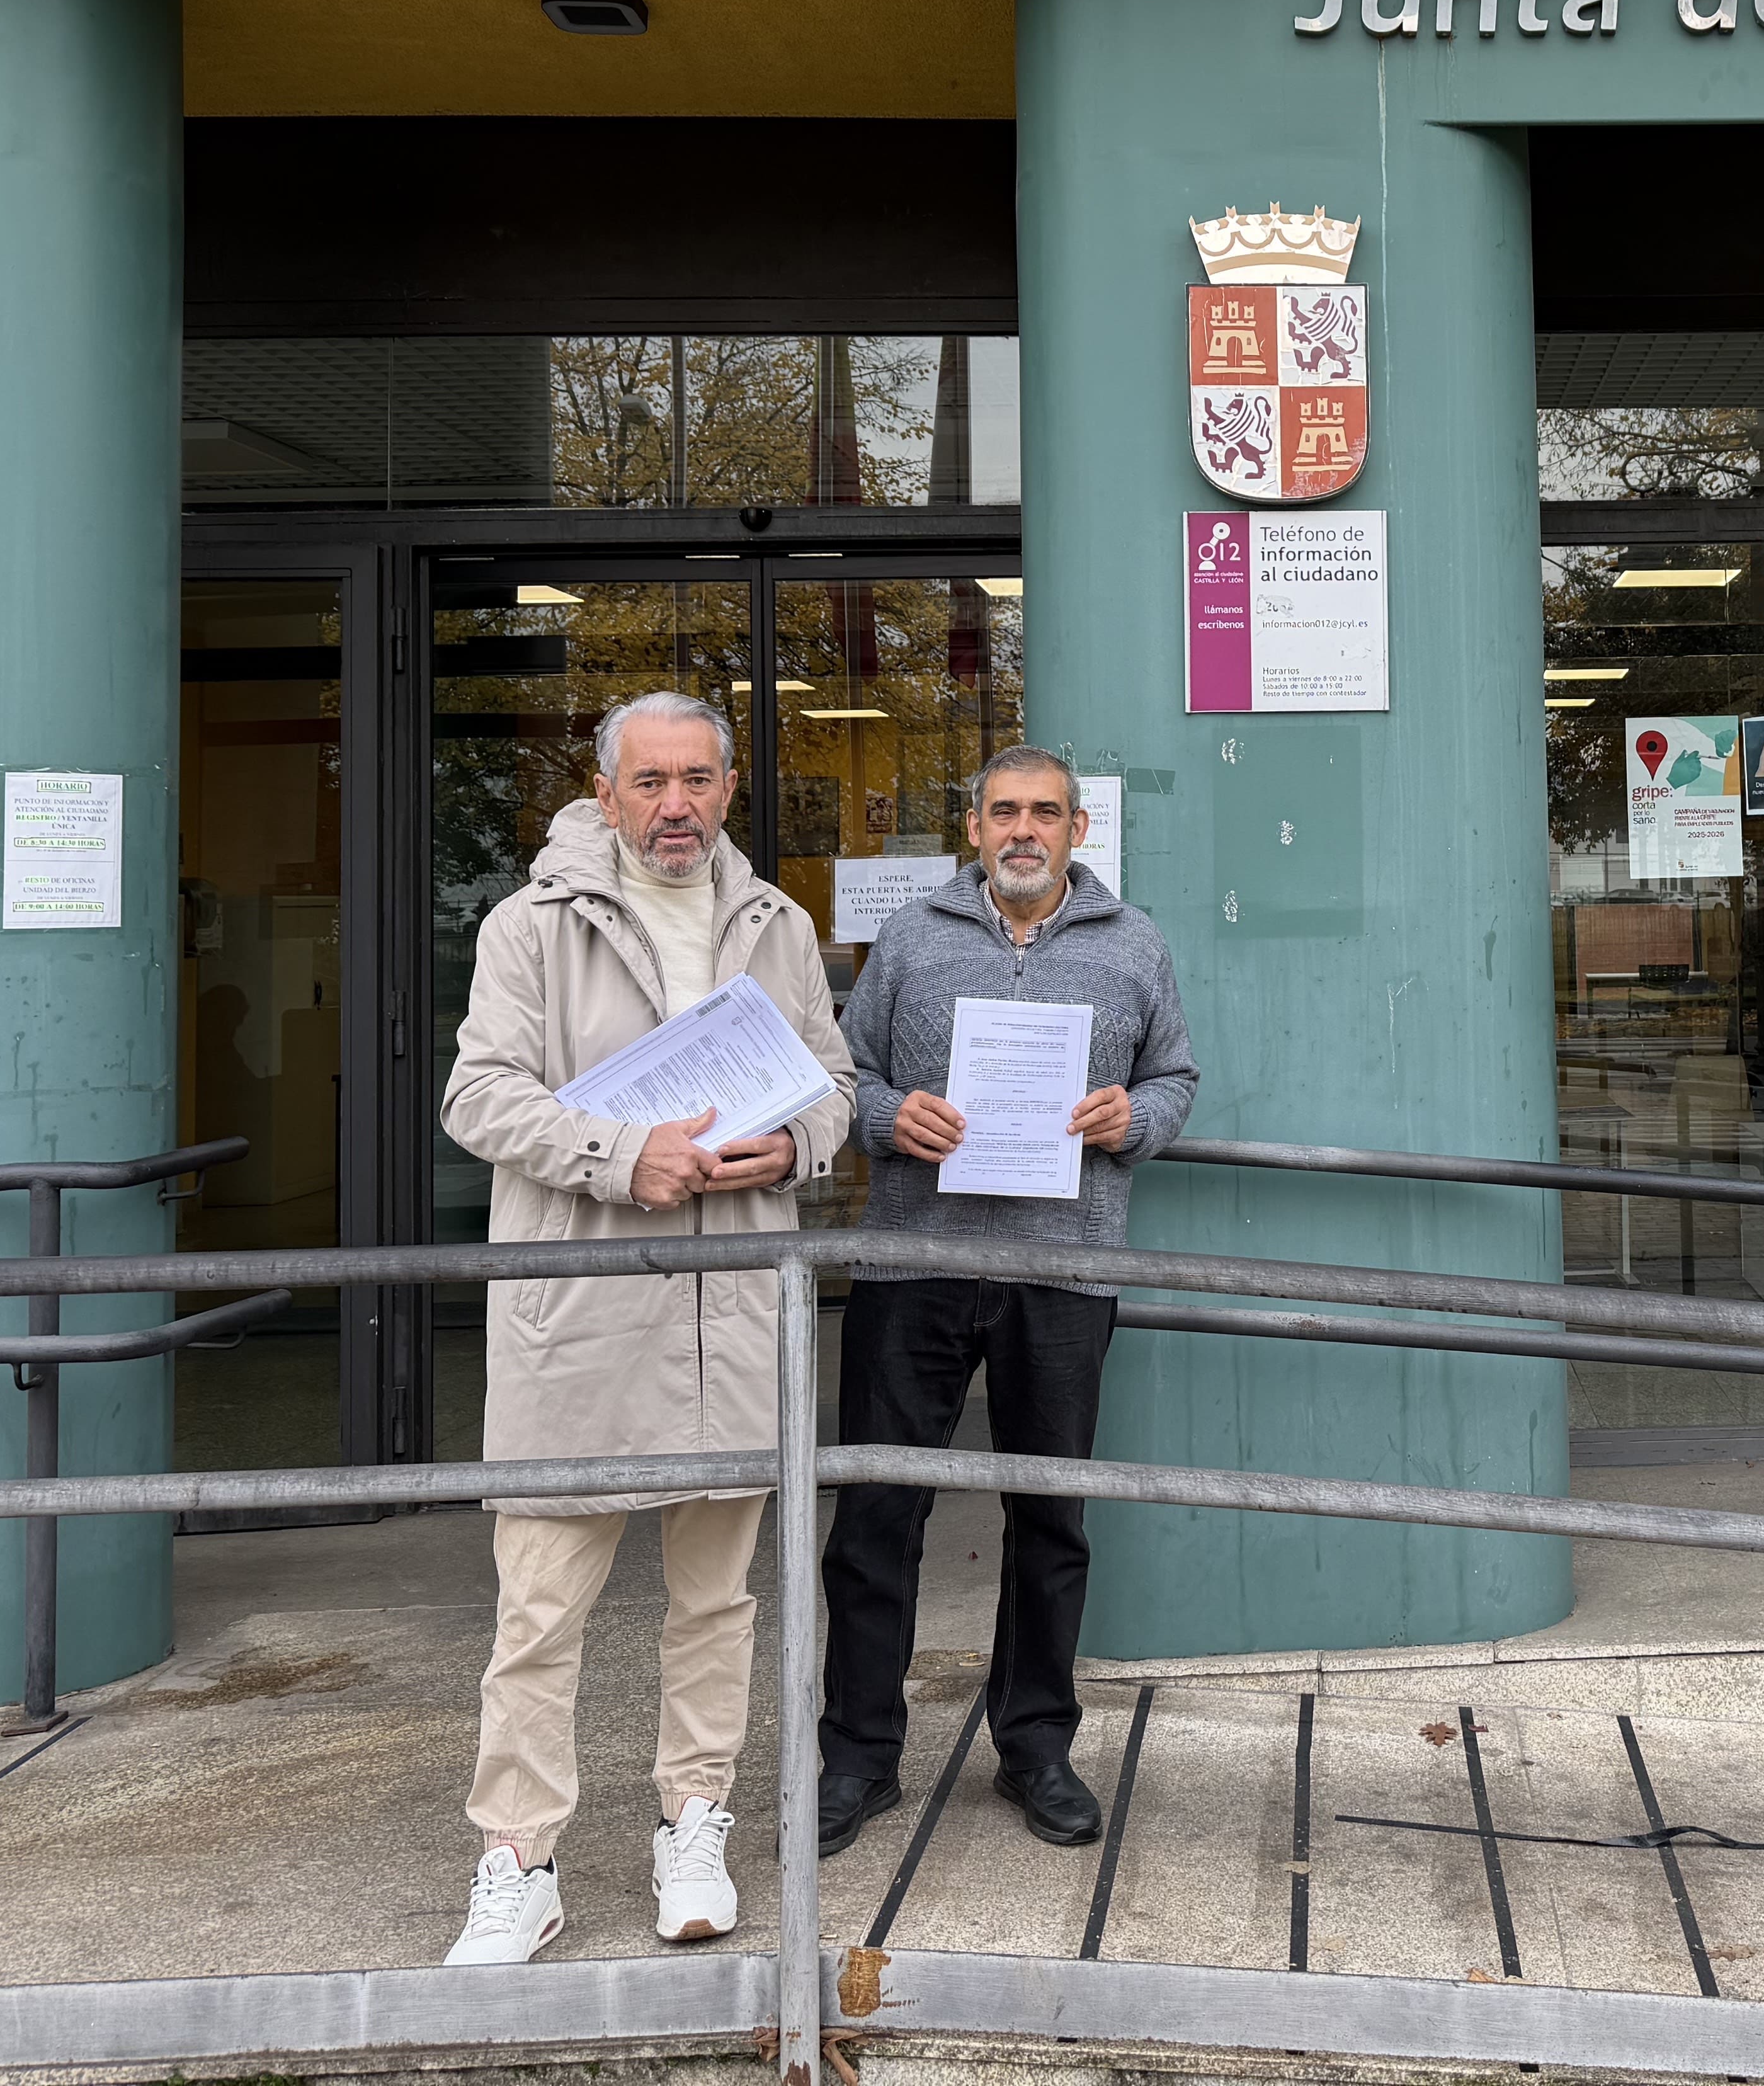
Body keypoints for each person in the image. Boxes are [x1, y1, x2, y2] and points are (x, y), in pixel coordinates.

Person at [431, 690, 856, 1968]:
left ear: (729, 789)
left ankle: (695, 1826)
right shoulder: (530, 925)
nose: (677, 806)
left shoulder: (779, 925)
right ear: (606, 791)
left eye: (699, 781)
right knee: (539, 1613)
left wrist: (798, 1143)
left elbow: (834, 1086)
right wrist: (624, 1155)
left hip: (735, 1314)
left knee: (717, 1602)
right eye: (652, 782)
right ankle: (518, 1860)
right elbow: (478, 1096)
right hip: (584, 1313)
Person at [816, 744, 1200, 1855]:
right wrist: (889, 1119)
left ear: (1078, 829)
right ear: (974, 827)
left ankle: (1035, 1747)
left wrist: (1136, 1120)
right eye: (1003, 812)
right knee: (877, 1517)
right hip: (913, 1267)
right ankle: (858, 1756)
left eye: (1044, 812)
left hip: (1063, 1274)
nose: (1023, 830)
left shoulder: (1135, 944)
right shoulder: (911, 938)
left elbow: (1175, 1076)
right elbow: (844, 1075)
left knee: (1050, 1521)